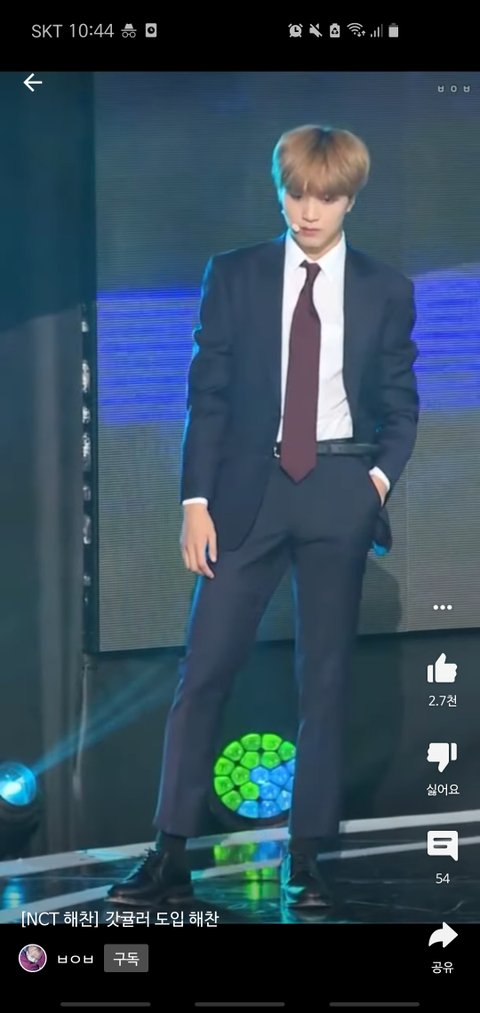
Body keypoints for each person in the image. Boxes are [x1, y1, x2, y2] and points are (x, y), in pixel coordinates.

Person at [108, 124, 419, 909]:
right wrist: (194, 501)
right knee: (205, 669)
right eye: (296, 194)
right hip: (247, 491)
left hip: (340, 485)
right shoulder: (235, 274)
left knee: (325, 678)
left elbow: (401, 402)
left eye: (326, 197)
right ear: (280, 191)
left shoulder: (385, 287)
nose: (309, 211)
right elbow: (206, 395)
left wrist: (374, 483)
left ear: (350, 199)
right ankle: (168, 851)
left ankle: (306, 858)